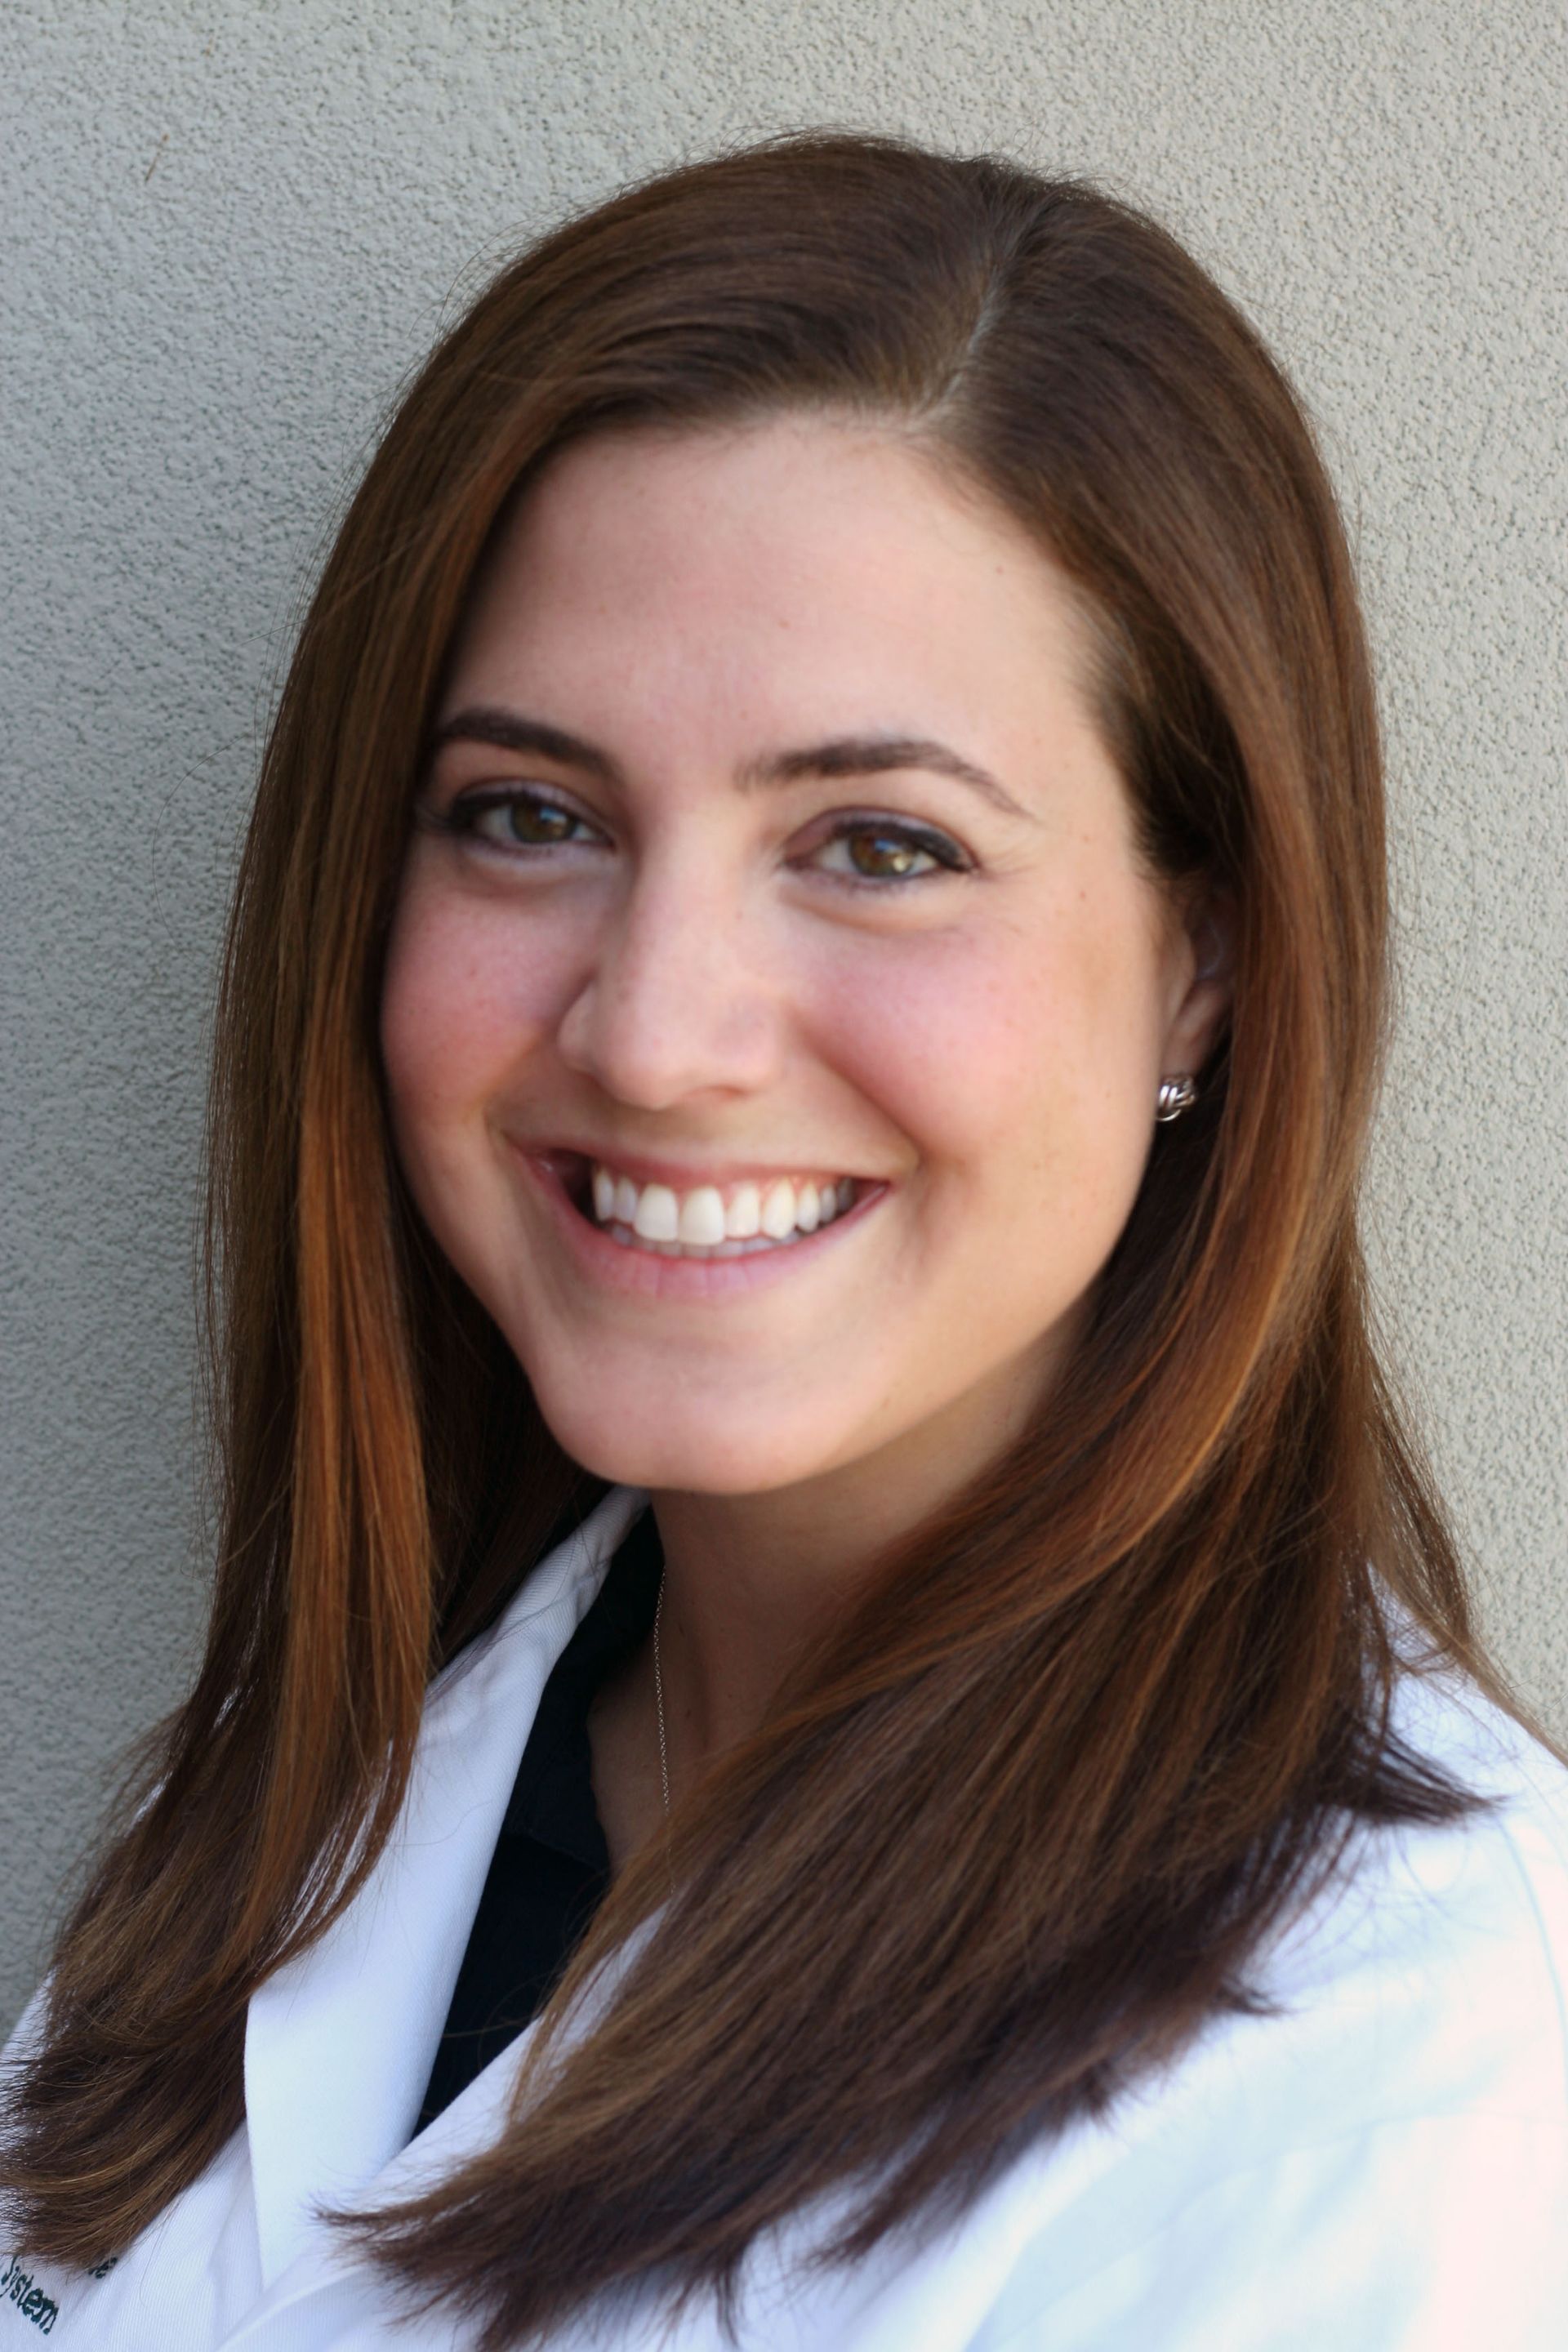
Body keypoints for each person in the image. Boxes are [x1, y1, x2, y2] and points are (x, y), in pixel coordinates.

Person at [2, 129, 1565, 2352]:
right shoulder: (307, 1797)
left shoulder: (1399, 2104)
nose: (655, 1037)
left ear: (1203, 963)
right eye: (530, 817)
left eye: (880, 846)